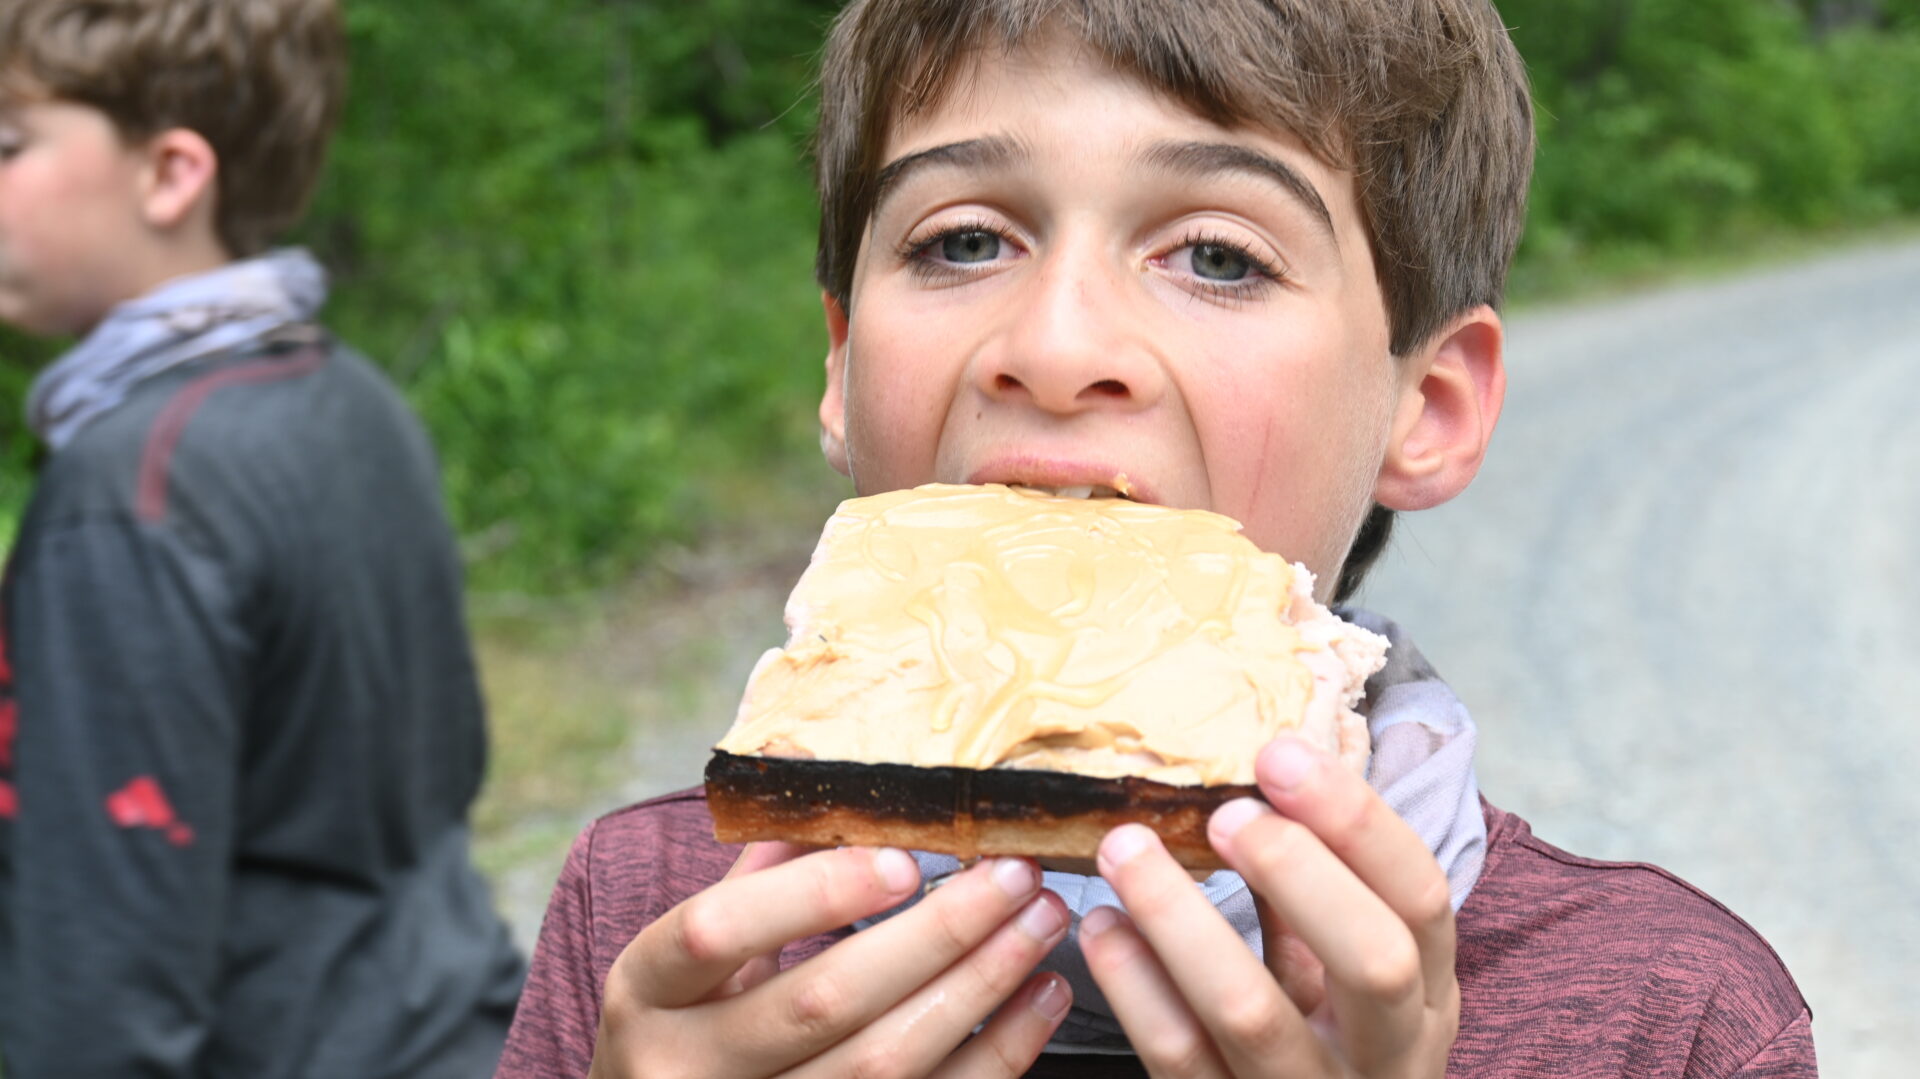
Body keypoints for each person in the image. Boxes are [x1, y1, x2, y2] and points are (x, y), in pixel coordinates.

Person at [498, 1, 1814, 1076]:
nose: (1058, 348)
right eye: (963, 238)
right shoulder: (651, 926)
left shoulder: (1672, 1021)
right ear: (843, 372)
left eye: (1220, 256)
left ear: (1429, 406)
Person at [0, 1, 526, 1075]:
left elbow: (102, 994)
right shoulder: (350, 394)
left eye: (10, 142)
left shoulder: (133, 488)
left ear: (170, 175)